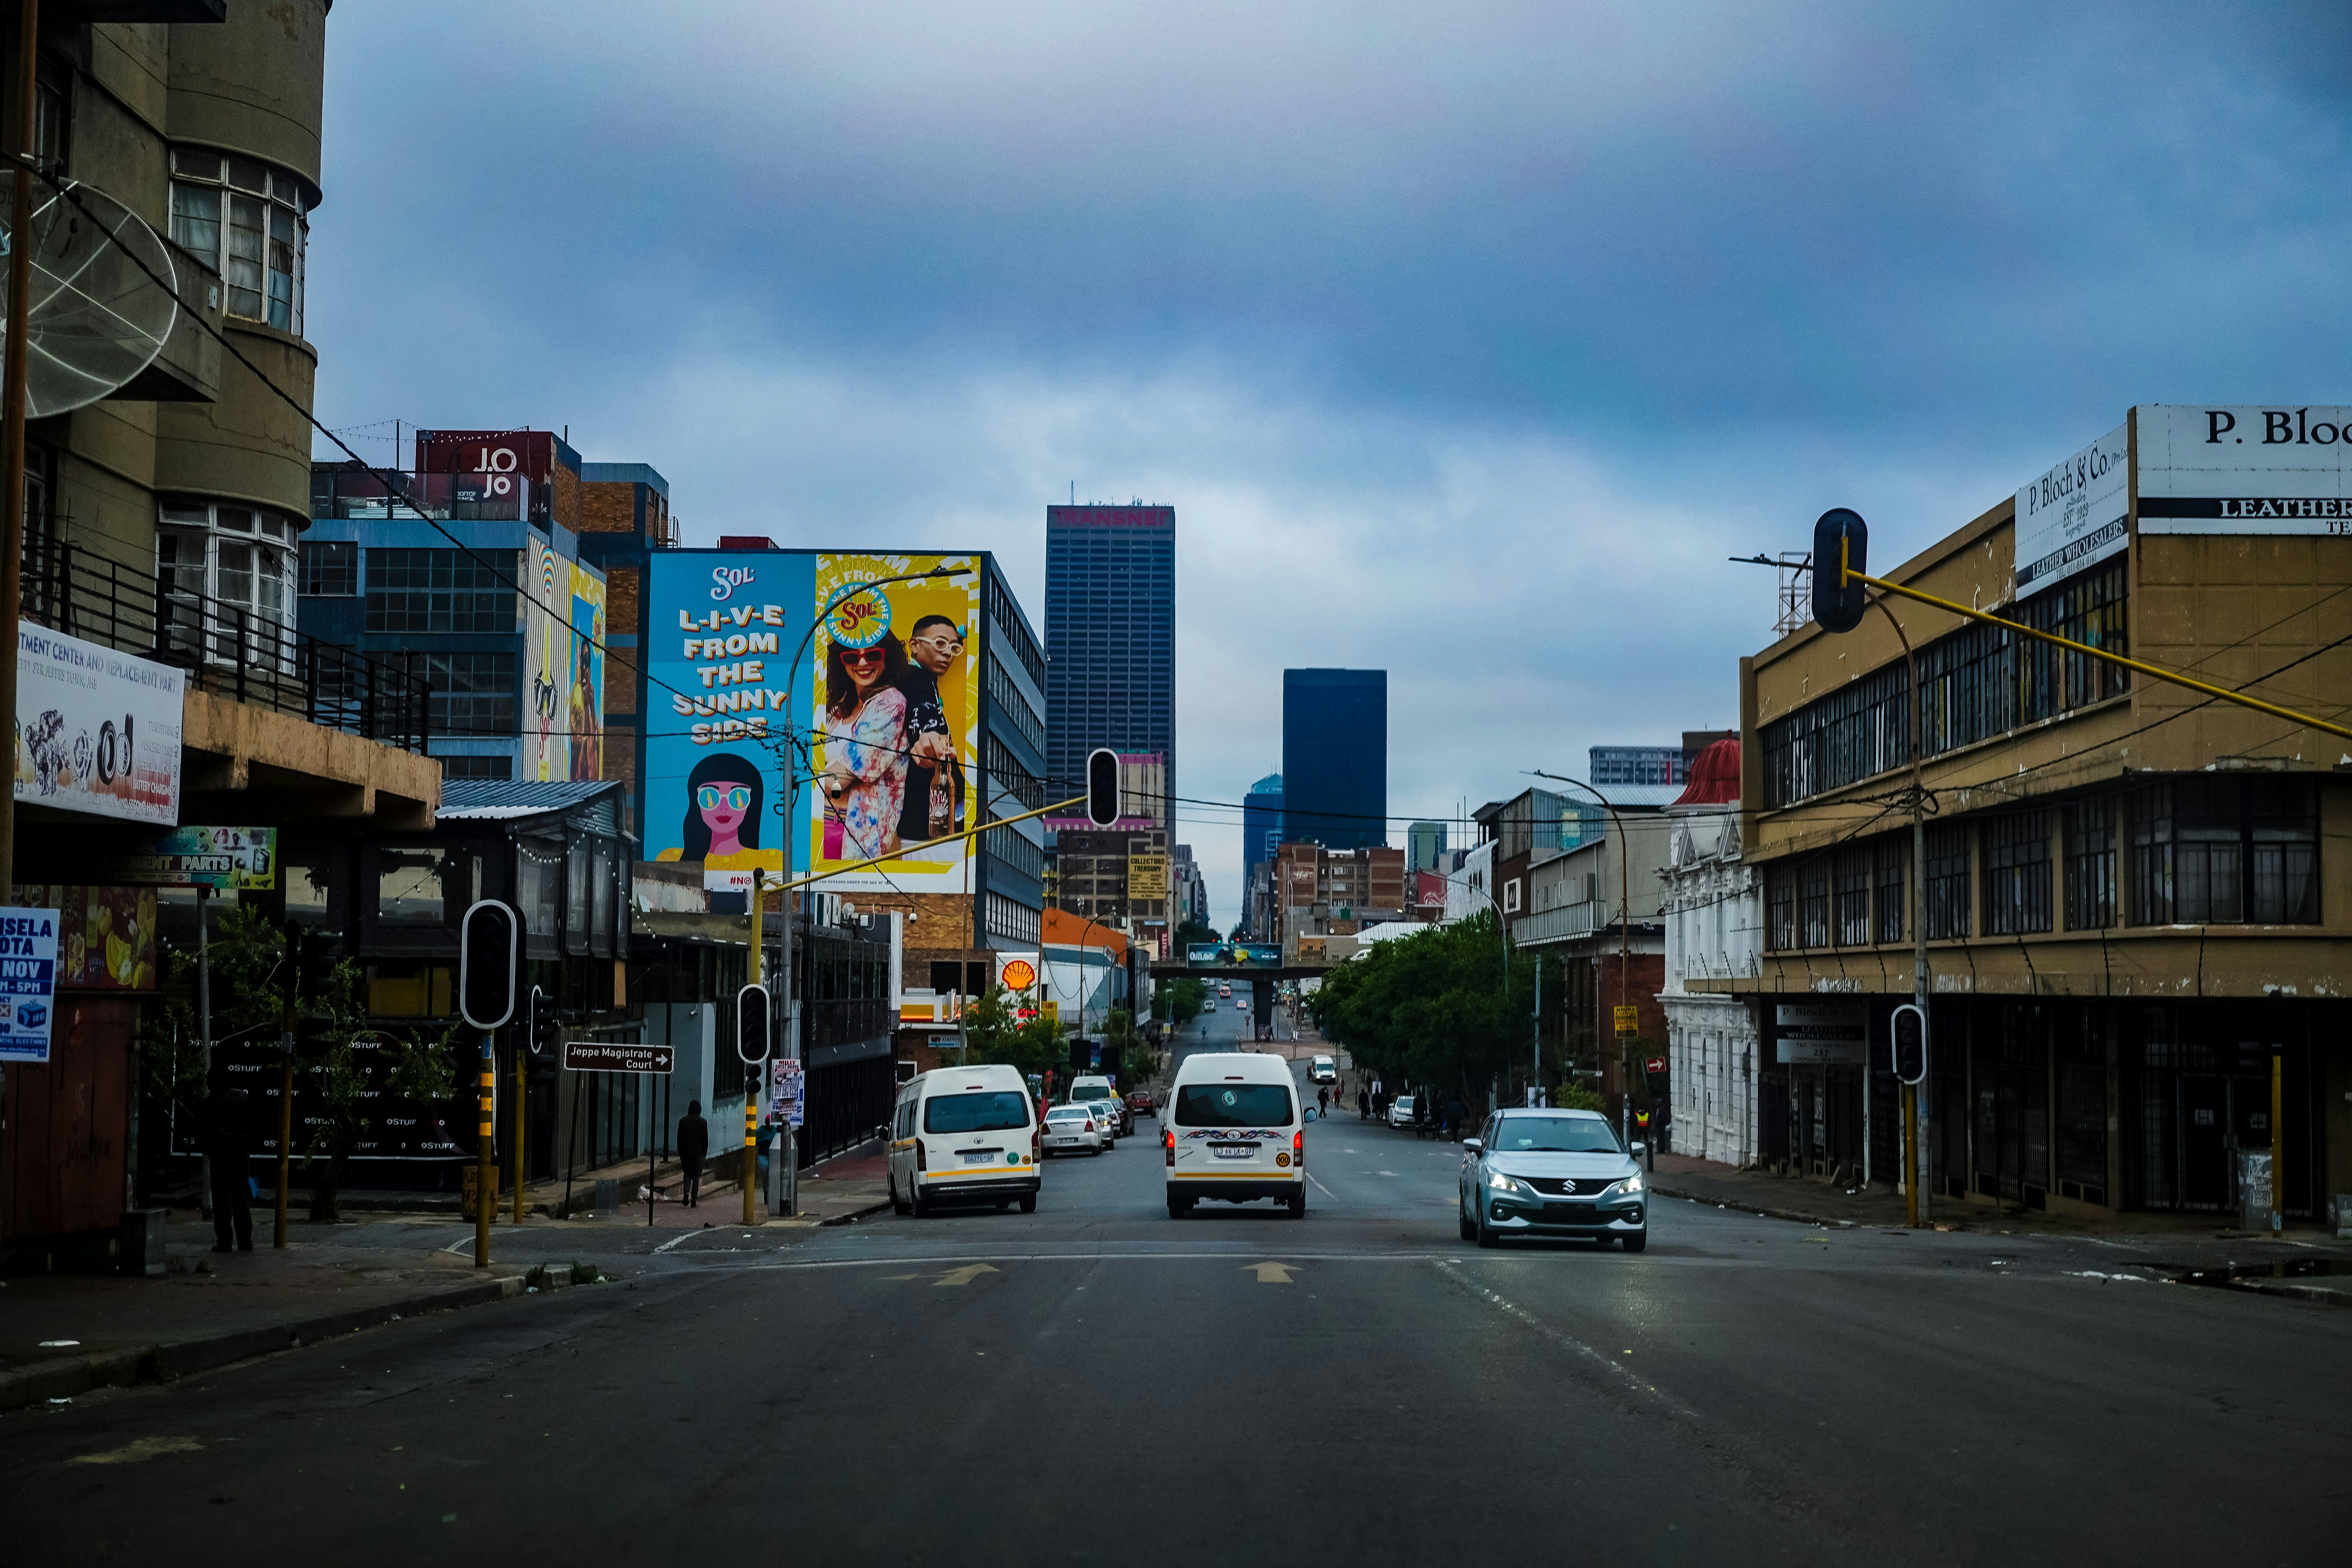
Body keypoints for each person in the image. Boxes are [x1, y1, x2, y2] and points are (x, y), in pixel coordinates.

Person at [819, 632, 912, 862]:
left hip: (859, 833)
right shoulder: (838, 709)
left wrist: (810, 780)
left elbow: (839, 782)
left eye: (872, 654)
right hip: (820, 825)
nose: (863, 663)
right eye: (851, 657)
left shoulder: (891, 704)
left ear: (886, 657)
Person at [895, 614, 967, 847]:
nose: (948, 653)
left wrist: (962, 634)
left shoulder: (924, 679)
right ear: (914, 646)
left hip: (930, 814)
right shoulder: (914, 679)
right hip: (927, 821)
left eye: (954, 647)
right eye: (940, 644)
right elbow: (925, 726)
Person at [194, 1079, 254, 1252]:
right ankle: (245, 1239)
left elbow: (201, 1132)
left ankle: (225, 1240)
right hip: (241, 1153)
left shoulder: (209, 1102)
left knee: (222, 1198)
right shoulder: (242, 1097)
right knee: (241, 1195)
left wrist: (211, 1150)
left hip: (221, 1155)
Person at [677, 1100, 710, 1208]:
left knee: (687, 1174)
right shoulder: (703, 1123)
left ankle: (686, 1193)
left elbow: (679, 1139)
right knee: (696, 1176)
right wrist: (704, 1153)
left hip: (686, 1153)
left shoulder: (683, 1122)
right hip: (699, 1154)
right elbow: (705, 1140)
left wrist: (681, 1153)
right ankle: (694, 1200)